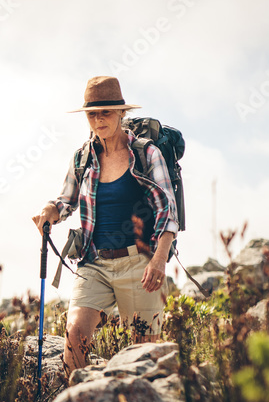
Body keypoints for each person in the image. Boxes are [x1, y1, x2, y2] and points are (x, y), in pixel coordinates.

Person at [32, 76, 179, 371]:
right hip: (94, 263)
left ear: (121, 113)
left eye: (106, 112)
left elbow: (168, 211)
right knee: (75, 336)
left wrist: (160, 259)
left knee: (146, 356)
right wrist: (51, 210)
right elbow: (66, 201)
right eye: (92, 113)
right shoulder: (83, 157)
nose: (99, 119)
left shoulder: (147, 153)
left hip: (140, 263)